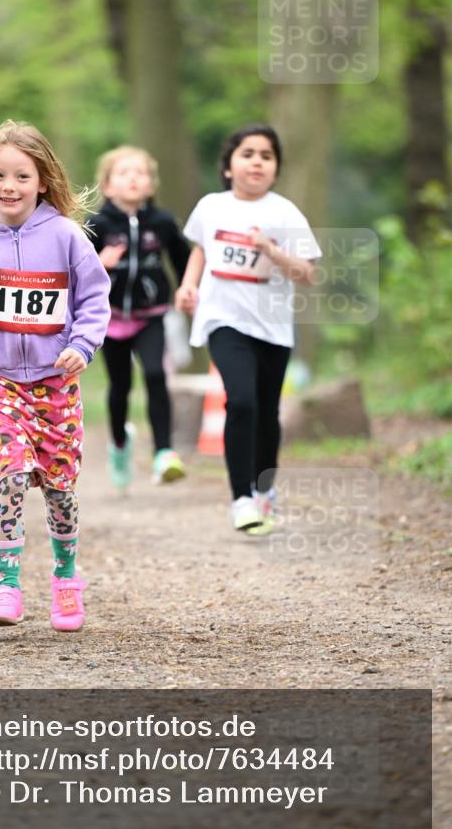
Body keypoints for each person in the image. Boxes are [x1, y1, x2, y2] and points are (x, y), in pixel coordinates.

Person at [0, 120, 110, 630]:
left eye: (20, 176)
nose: (8, 187)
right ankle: (7, 588)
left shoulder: (65, 237)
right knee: (11, 474)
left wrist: (82, 343)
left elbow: (94, 298)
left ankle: (65, 582)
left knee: (59, 487)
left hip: (56, 383)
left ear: (42, 180)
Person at [175, 124, 321, 535]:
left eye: (267, 155)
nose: (257, 161)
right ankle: (241, 499)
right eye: (248, 153)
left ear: (275, 168)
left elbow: (307, 273)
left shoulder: (284, 212)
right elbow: (201, 250)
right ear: (228, 166)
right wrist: (188, 286)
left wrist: (271, 250)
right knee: (240, 402)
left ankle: (264, 490)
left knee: (266, 413)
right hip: (224, 320)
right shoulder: (211, 207)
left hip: (272, 327)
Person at [87, 145, 190, 489]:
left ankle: (164, 453)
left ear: (150, 185)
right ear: (107, 186)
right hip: (110, 317)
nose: (133, 178)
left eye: (140, 173)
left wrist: (187, 289)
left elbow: (184, 260)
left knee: (157, 374)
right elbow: (73, 271)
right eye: (123, 173)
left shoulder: (162, 223)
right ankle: (119, 444)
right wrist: (99, 265)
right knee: (120, 387)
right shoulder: (95, 224)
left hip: (151, 314)